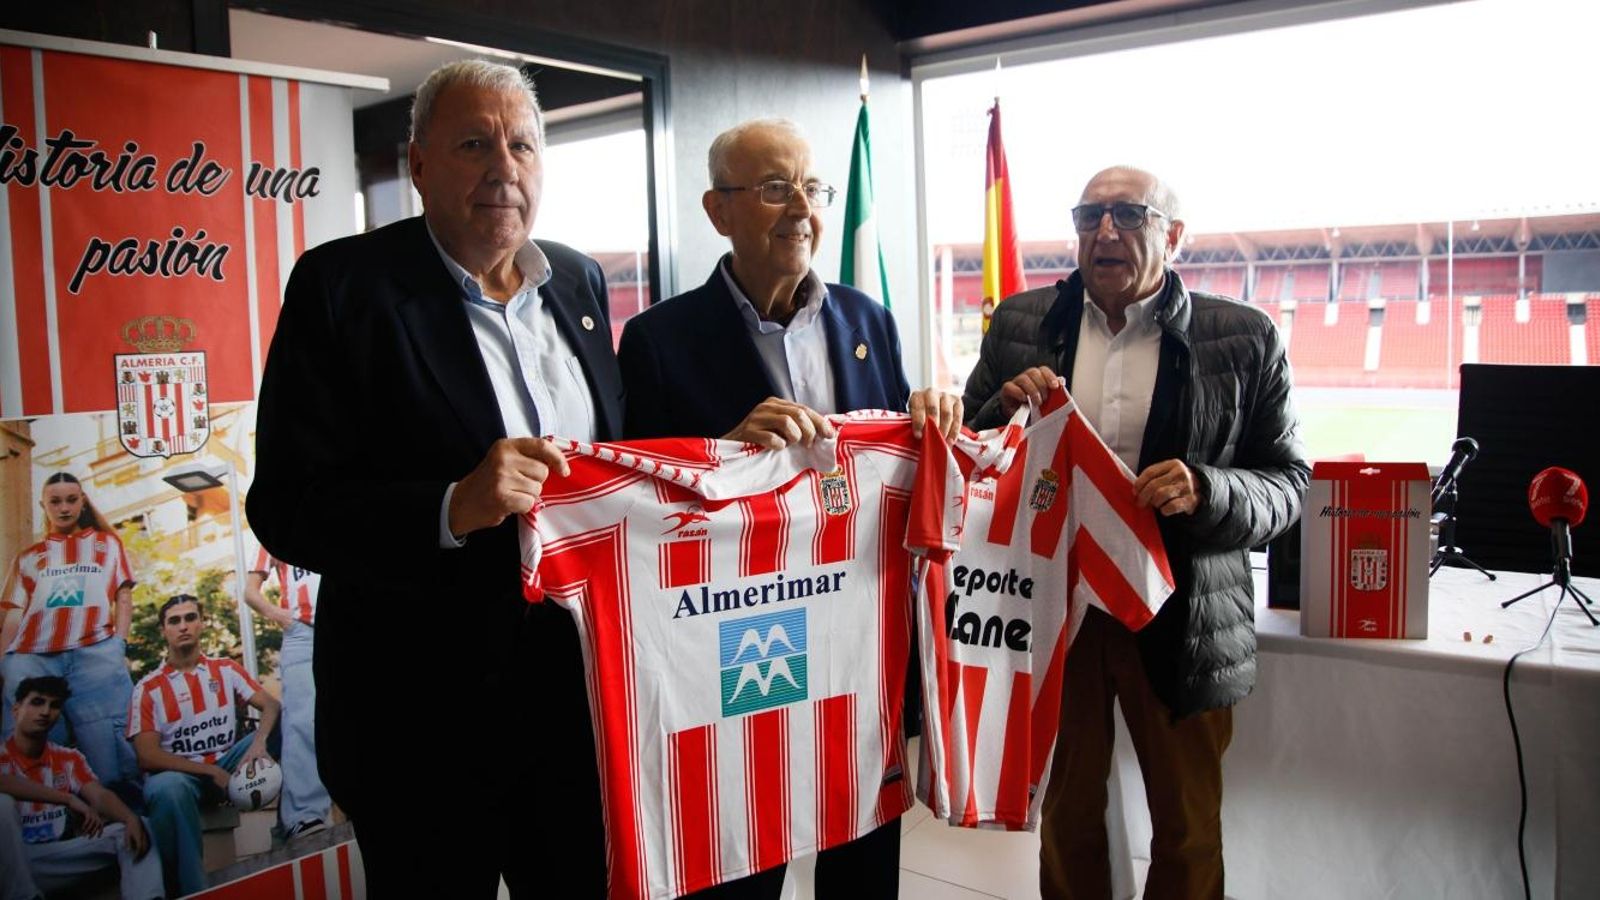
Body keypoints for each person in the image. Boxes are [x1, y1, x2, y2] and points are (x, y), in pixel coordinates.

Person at [247, 59, 619, 897]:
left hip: (577, 707)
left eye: (522, 145)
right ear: (417, 165)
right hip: (418, 723)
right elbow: (286, 507)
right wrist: (453, 507)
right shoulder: (343, 288)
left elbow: (617, 463)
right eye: (473, 143)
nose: (504, 168)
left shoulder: (580, 283)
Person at [617, 117, 961, 899]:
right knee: (743, 869)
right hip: (742, 652)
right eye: (774, 189)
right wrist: (725, 451)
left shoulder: (867, 319)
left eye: (811, 188)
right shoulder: (657, 341)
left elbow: (892, 473)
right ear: (719, 211)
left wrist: (930, 422)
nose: (801, 208)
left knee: (863, 872)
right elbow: (642, 510)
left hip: (855, 654)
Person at [961, 166, 1308, 900]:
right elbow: (971, 451)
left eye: (1128, 214)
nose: (1105, 232)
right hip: (1059, 612)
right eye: (1090, 215)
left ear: (1173, 236)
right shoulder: (1021, 324)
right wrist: (1000, 408)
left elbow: (1287, 486)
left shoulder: (1243, 337)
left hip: (1183, 617)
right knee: (1066, 813)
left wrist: (1209, 489)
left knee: (1186, 829)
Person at [128, 594, 280, 898]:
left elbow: (271, 706)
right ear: (164, 630)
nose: (183, 626)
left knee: (284, 726)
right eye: (174, 621)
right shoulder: (148, 688)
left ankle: (291, 823)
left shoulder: (225, 670)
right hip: (184, 777)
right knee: (166, 788)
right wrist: (207, 770)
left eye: (190, 618)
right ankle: (190, 890)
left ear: (202, 624)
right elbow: (147, 755)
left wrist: (259, 745)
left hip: (227, 764)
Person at [0, 472, 140, 794]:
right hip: (33, 659)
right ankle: (46, 823)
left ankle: (125, 822)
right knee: (33, 742)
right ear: (43, 505)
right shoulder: (28, 556)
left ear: (82, 502)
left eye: (71, 500)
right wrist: (4, 664)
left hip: (95, 653)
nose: (64, 508)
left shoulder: (107, 544)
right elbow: (15, 614)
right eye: (55, 501)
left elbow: (123, 595)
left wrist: (118, 643)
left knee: (108, 746)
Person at [0, 675, 162, 900]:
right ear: (16, 709)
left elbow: (99, 795)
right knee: (2, 804)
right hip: (8, 867)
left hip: (50, 860)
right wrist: (67, 799)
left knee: (137, 826)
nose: (46, 711)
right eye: (37, 702)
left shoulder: (67, 758)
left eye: (54, 705)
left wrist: (129, 818)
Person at [243, 548, 330, 840]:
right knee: (303, 723)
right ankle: (304, 815)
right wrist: (281, 616)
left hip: (346, 625)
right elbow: (250, 592)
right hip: (301, 631)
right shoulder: (279, 526)